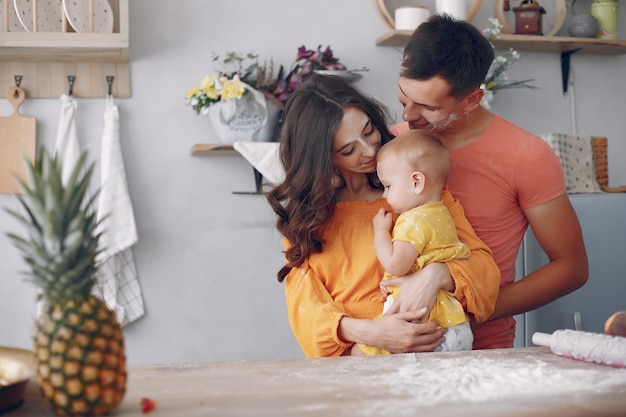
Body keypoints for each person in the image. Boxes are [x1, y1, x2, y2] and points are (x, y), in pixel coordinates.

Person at [266, 73, 500, 358]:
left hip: (433, 353)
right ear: (322, 157)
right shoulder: (306, 218)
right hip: (355, 364)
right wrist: (372, 333)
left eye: (368, 131)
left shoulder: (415, 188)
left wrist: (437, 275)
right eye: (348, 149)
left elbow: (484, 271)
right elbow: (305, 311)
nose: (369, 151)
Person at [390, 14, 588, 349]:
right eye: (403, 96)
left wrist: (472, 304)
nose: (408, 116)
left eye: (427, 107)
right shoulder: (391, 144)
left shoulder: (525, 155)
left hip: (481, 351)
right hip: (391, 345)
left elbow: (571, 267)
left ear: (471, 99)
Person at [355, 130, 473, 356]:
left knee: (362, 355)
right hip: (454, 322)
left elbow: (395, 264)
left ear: (416, 182)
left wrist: (380, 231)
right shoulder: (442, 213)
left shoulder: (412, 221)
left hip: (423, 321)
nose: (384, 196)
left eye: (388, 186)